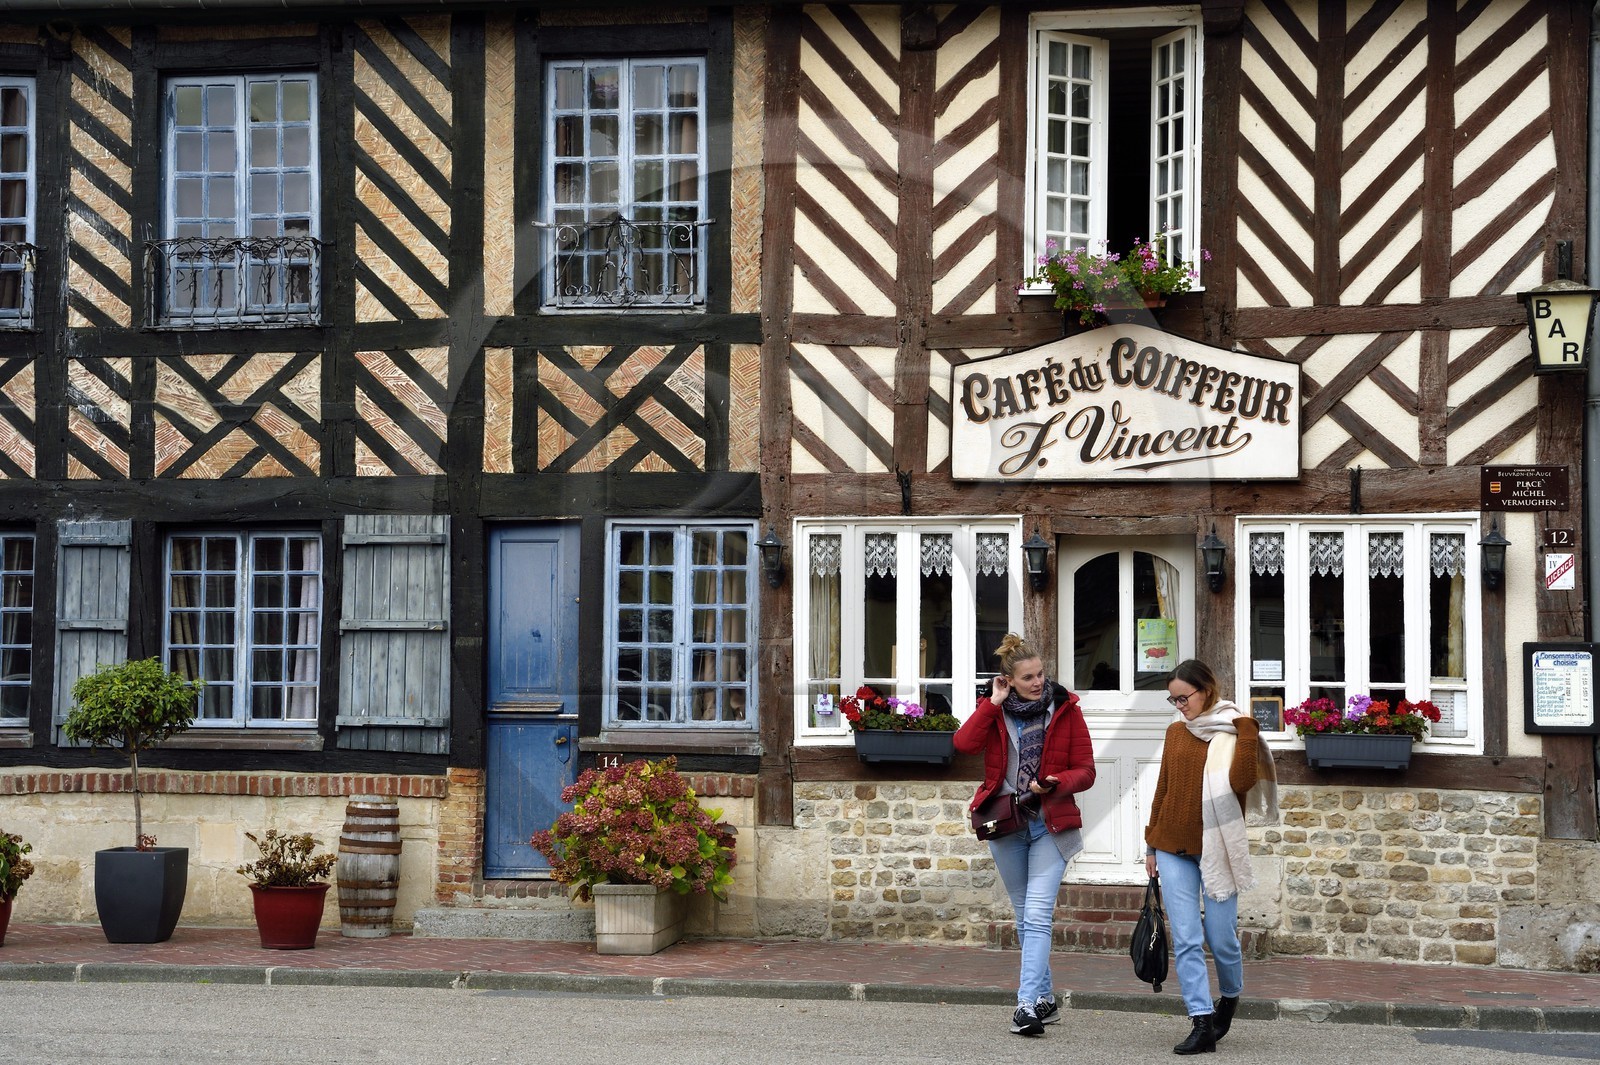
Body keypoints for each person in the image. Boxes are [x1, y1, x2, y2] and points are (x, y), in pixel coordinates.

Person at [954, 633, 1096, 1038]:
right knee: (1024, 914)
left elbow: (1086, 770)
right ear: (1008, 680)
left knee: (1035, 916)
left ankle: (1024, 1006)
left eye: (1041, 675)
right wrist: (991, 703)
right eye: (1028, 677)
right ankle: (1045, 999)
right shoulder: (997, 711)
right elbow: (964, 744)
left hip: (1050, 822)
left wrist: (1055, 781)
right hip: (1006, 823)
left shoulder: (1066, 709)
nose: (1037, 682)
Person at [1144, 659, 1278, 1055]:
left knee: (1221, 940)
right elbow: (1163, 787)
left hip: (1217, 848)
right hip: (1172, 846)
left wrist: (1249, 732)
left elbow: (1240, 783)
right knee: (1186, 938)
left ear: (1206, 690)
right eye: (1173, 698)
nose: (1179, 705)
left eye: (1184, 697)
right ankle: (1201, 1021)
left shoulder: (1235, 730)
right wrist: (1151, 844)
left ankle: (1230, 999)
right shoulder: (1175, 732)